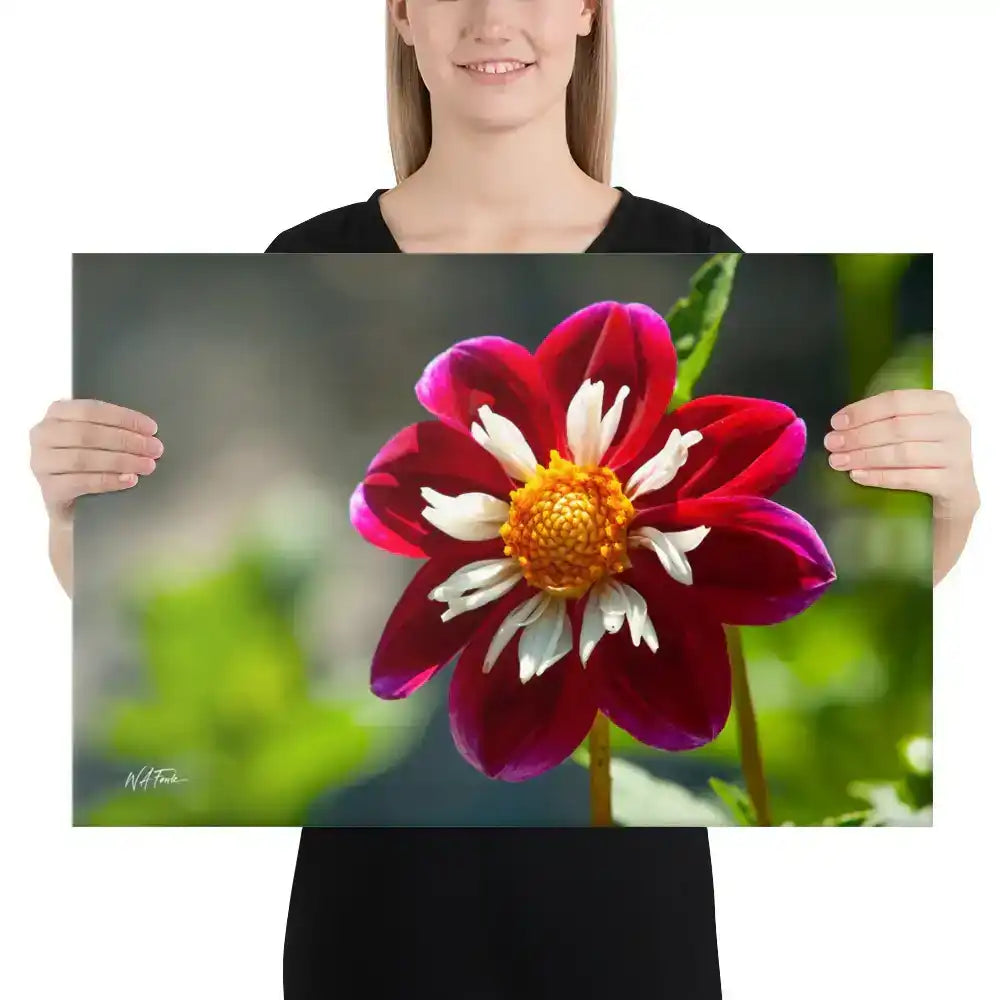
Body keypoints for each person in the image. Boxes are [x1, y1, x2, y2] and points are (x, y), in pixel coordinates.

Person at [29, 2, 978, 997]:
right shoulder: (307, 245)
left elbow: (815, 586)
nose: (492, 17)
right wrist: (60, 519)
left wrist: (953, 509)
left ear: (587, 13)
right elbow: (370, 562)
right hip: (378, 928)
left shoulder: (688, 244)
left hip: (622, 936)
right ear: (401, 16)